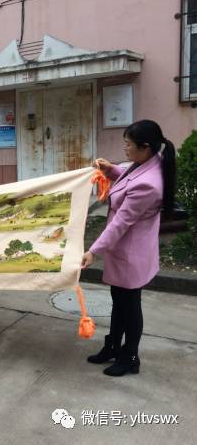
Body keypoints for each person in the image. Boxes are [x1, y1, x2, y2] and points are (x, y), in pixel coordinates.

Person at [81, 120, 176, 377]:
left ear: (145, 147)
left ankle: (130, 357)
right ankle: (112, 347)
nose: (124, 148)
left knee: (130, 307)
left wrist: (93, 251)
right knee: (119, 303)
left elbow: (120, 223)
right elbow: (126, 176)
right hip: (125, 249)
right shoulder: (147, 162)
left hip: (131, 254)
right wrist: (110, 169)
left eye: (128, 144)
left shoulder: (149, 185)